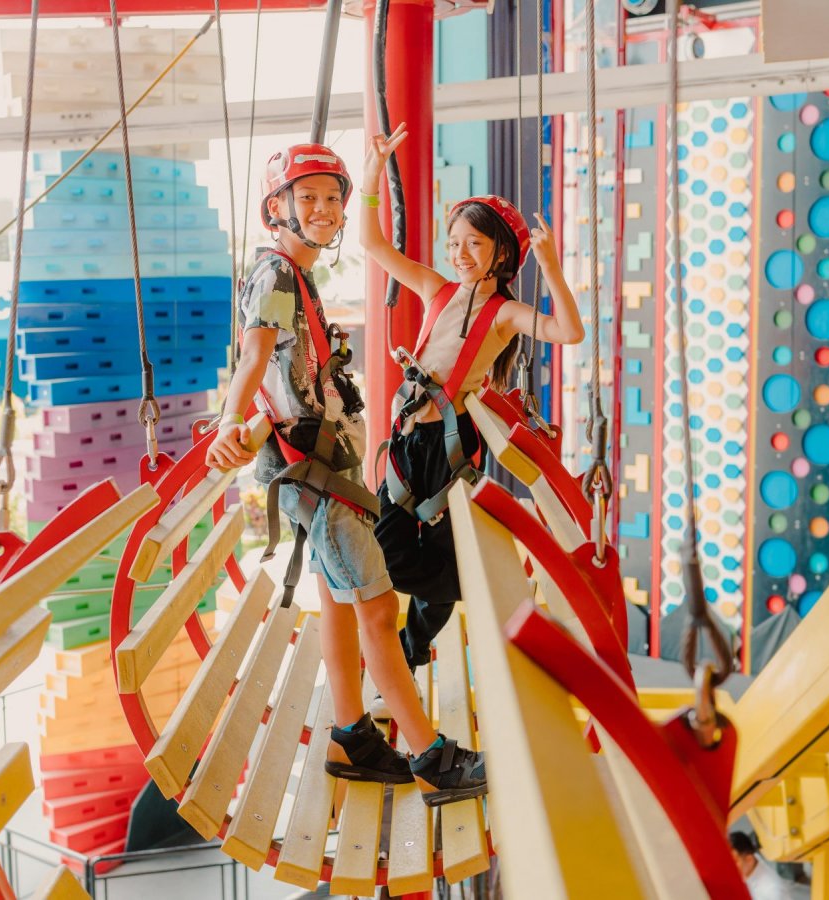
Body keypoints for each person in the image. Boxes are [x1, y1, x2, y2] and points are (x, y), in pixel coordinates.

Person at [205, 142, 486, 806]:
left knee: (340, 596)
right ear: (277, 209)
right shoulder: (276, 275)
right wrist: (228, 423)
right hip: (310, 467)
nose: (325, 211)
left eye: (332, 198)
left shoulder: (294, 275)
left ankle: (351, 738)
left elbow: (282, 369)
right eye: (310, 199)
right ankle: (432, 757)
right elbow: (252, 359)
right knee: (378, 606)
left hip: (316, 459)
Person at [360, 123, 584, 709]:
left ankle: (411, 649)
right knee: (389, 548)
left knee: (425, 564)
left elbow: (569, 331)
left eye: (473, 246)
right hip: (407, 442)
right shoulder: (436, 290)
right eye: (454, 241)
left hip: (445, 449)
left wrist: (551, 269)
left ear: (501, 256)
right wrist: (372, 176)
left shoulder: (506, 313)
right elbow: (375, 247)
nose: (458, 254)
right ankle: (402, 656)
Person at [729, 831, 792, 900]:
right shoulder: (751, 863)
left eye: (734, 861)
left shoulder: (771, 892)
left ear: (749, 859)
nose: (728, 866)